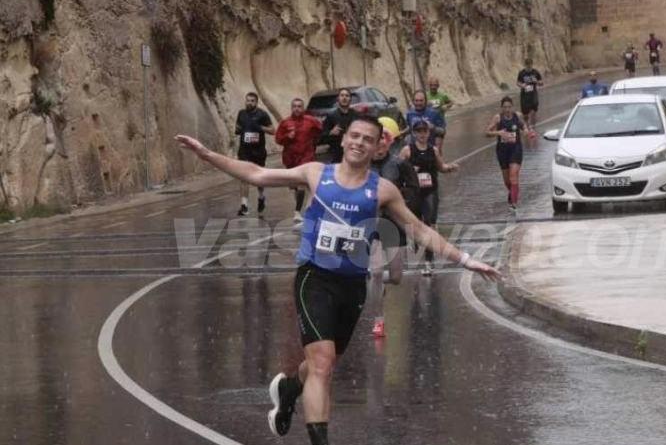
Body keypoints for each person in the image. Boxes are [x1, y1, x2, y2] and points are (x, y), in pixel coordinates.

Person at [174, 117, 499, 445]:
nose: (359, 142)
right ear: (343, 141)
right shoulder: (316, 173)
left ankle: (289, 389)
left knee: (323, 363)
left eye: (367, 139)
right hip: (314, 278)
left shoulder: (382, 190)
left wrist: (467, 261)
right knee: (322, 364)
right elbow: (256, 173)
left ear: (377, 147)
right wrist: (208, 155)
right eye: (354, 136)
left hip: (352, 285)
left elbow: (419, 229)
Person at [368, 116, 419, 338]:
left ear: (387, 143)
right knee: (377, 272)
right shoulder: (363, 166)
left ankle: (374, 283)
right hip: (370, 225)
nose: (378, 148)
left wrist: (400, 204)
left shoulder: (398, 164)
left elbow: (414, 188)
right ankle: (379, 320)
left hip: (394, 224)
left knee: (396, 276)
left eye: (382, 144)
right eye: (375, 144)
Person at [399, 119, 459, 275]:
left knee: (429, 225)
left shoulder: (434, 150)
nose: (422, 134)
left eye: (424, 131)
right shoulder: (407, 150)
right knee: (414, 224)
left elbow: (441, 167)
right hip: (413, 194)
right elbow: (396, 169)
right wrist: (410, 171)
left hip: (430, 192)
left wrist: (450, 167)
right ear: (414, 133)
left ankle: (428, 262)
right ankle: (415, 240)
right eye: (418, 131)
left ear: (428, 133)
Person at [275, 98, 323, 223]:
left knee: (302, 184)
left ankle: (297, 212)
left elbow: (322, 130)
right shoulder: (285, 123)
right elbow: (278, 139)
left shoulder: (311, 121)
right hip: (290, 158)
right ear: (291, 108)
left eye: (299, 106)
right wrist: (287, 137)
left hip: (306, 157)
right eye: (294, 106)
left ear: (303, 108)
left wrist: (315, 142)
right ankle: (301, 207)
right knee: (294, 186)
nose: (297, 108)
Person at [486, 96, 531, 213]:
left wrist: (526, 131)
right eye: (505, 107)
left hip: (516, 149)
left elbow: (523, 125)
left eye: (509, 107)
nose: (507, 109)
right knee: (507, 181)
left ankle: (514, 204)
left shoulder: (517, 115)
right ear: (501, 108)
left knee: (513, 176)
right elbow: (487, 132)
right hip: (502, 151)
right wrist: (498, 132)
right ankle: (512, 193)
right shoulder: (497, 118)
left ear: (512, 107)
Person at [234, 92, 275, 216]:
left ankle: (261, 197)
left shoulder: (262, 114)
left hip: (258, 152)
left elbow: (273, 130)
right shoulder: (241, 113)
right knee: (243, 177)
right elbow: (238, 127)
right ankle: (244, 205)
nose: (249, 103)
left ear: (256, 102)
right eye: (248, 100)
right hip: (244, 151)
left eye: (252, 101)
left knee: (258, 179)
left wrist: (260, 127)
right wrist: (238, 130)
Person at [321, 88, 357, 163]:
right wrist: (331, 133)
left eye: (347, 96)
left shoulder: (356, 115)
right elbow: (322, 136)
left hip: (353, 152)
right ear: (338, 99)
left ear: (350, 99)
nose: (344, 98)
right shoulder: (331, 115)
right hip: (337, 154)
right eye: (342, 95)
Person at [425, 78, 453, 153]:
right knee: (429, 147)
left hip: (440, 124)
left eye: (435, 85)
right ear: (429, 86)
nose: (433, 87)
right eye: (431, 85)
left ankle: (439, 163)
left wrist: (446, 106)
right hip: (429, 124)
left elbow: (451, 102)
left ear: (438, 86)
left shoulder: (442, 95)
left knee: (438, 148)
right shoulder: (425, 96)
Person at [516, 58, 543, 128]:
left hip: (533, 94)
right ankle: (527, 125)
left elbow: (541, 82)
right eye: (527, 66)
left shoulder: (535, 72)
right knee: (525, 114)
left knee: (534, 110)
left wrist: (536, 81)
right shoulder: (522, 73)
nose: (529, 67)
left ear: (532, 64)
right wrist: (522, 85)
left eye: (530, 66)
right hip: (524, 95)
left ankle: (533, 126)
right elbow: (518, 82)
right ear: (525, 65)